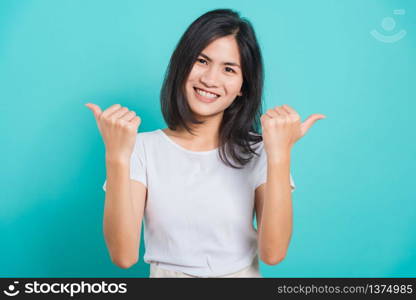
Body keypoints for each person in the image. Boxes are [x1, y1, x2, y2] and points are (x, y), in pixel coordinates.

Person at [85, 9, 326, 278]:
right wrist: (117, 156)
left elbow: (274, 253)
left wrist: (280, 154)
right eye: (201, 61)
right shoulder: (141, 148)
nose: (210, 79)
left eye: (229, 69)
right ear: (182, 65)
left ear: (243, 86)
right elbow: (123, 256)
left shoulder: (259, 150)